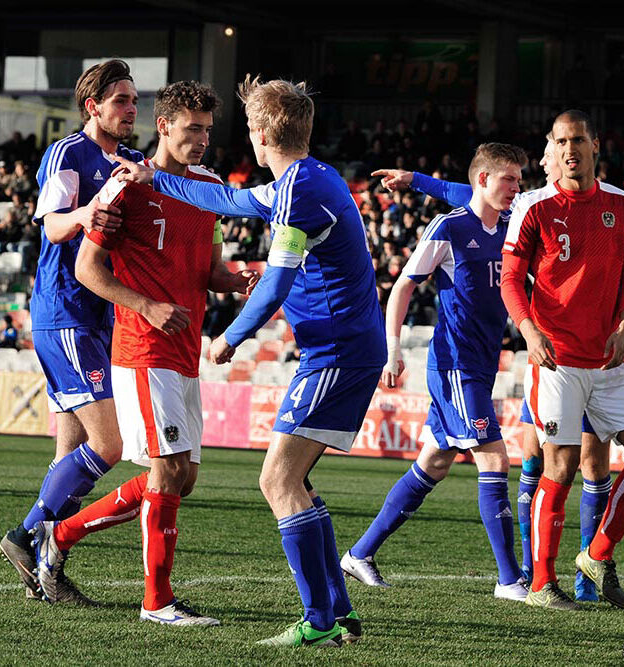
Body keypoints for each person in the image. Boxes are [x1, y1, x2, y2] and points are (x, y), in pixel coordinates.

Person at [115, 74, 386, 648]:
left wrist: (228, 337)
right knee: (298, 483)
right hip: (343, 348)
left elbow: (276, 285)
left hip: (337, 352)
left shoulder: (299, 191)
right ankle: (339, 613)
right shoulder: (311, 178)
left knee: (277, 479)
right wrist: (156, 177)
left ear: (260, 133)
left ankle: (319, 622)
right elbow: (231, 200)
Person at [33, 80, 256, 626]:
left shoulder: (209, 189)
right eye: (192, 129)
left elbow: (208, 270)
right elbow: (88, 269)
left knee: (181, 478)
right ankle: (157, 601)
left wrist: (239, 279)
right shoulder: (122, 188)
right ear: (164, 125)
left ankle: (57, 535)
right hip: (141, 345)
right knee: (165, 471)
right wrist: (148, 307)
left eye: (207, 129)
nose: (202, 140)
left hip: (185, 350)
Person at [341, 144, 530, 602]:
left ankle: (359, 554)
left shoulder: (510, 227)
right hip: (454, 366)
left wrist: (415, 177)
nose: (517, 187)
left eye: (519, 179)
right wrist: (393, 349)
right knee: (495, 459)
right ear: (483, 180)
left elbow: (459, 187)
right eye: (509, 178)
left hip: (484, 364)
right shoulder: (450, 227)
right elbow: (403, 286)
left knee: (435, 462)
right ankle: (509, 580)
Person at [500, 110, 624, 611]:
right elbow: (511, 279)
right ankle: (539, 586)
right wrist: (528, 331)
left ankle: (596, 554)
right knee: (563, 464)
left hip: (610, 361)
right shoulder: (534, 205)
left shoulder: (622, 204)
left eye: (578, 141)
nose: (570, 150)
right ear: (553, 147)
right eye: (561, 141)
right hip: (557, 361)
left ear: (596, 145)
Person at [0, 59, 143, 604]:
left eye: (134, 101)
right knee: (108, 444)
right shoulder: (68, 154)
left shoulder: (130, 161)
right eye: (122, 100)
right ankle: (27, 531)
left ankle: (47, 571)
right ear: (94, 106)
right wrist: (85, 213)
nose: (132, 110)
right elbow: (52, 224)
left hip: (100, 314)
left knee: (71, 453)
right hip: (66, 314)